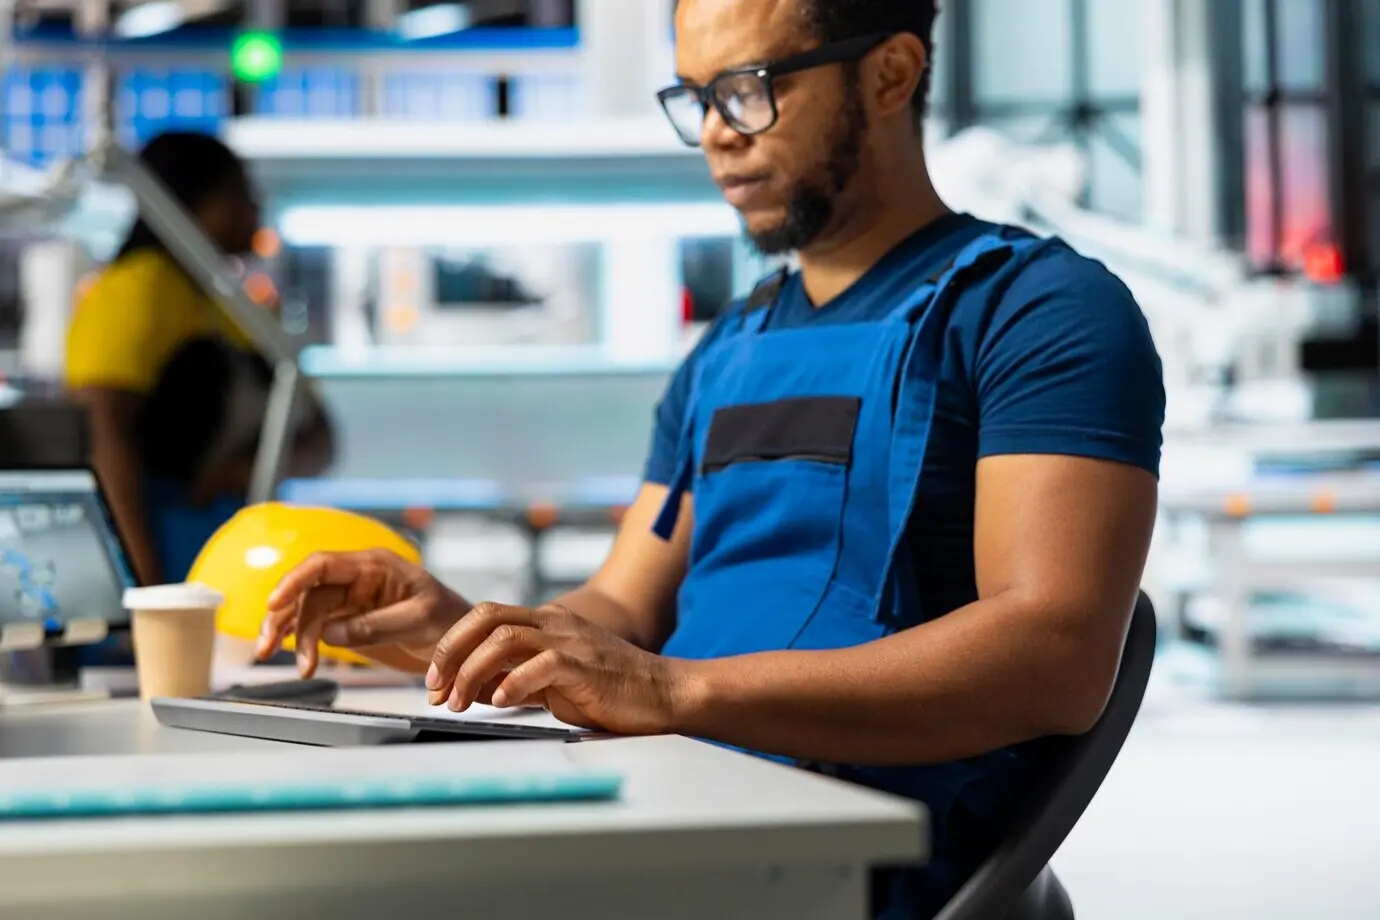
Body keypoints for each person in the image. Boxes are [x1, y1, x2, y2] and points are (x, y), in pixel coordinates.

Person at [258, 1, 1164, 916]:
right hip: (675, 814)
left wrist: (673, 690)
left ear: (890, 74)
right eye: (695, 97)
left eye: (749, 90)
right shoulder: (726, 351)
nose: (714, 136)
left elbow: (1057, 653)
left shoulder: (1038, 314)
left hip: (844, 865)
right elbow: (622, 603)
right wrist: (467, 631)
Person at [65, 130, 335, 586]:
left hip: (224, 540)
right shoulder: (138, 292)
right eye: (239, 191)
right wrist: (140, 583)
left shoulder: (229, 303)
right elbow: (104, 438)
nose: (254, 207)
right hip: (165, 549)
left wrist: (239, 472)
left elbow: (320, 435)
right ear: (191, 202)